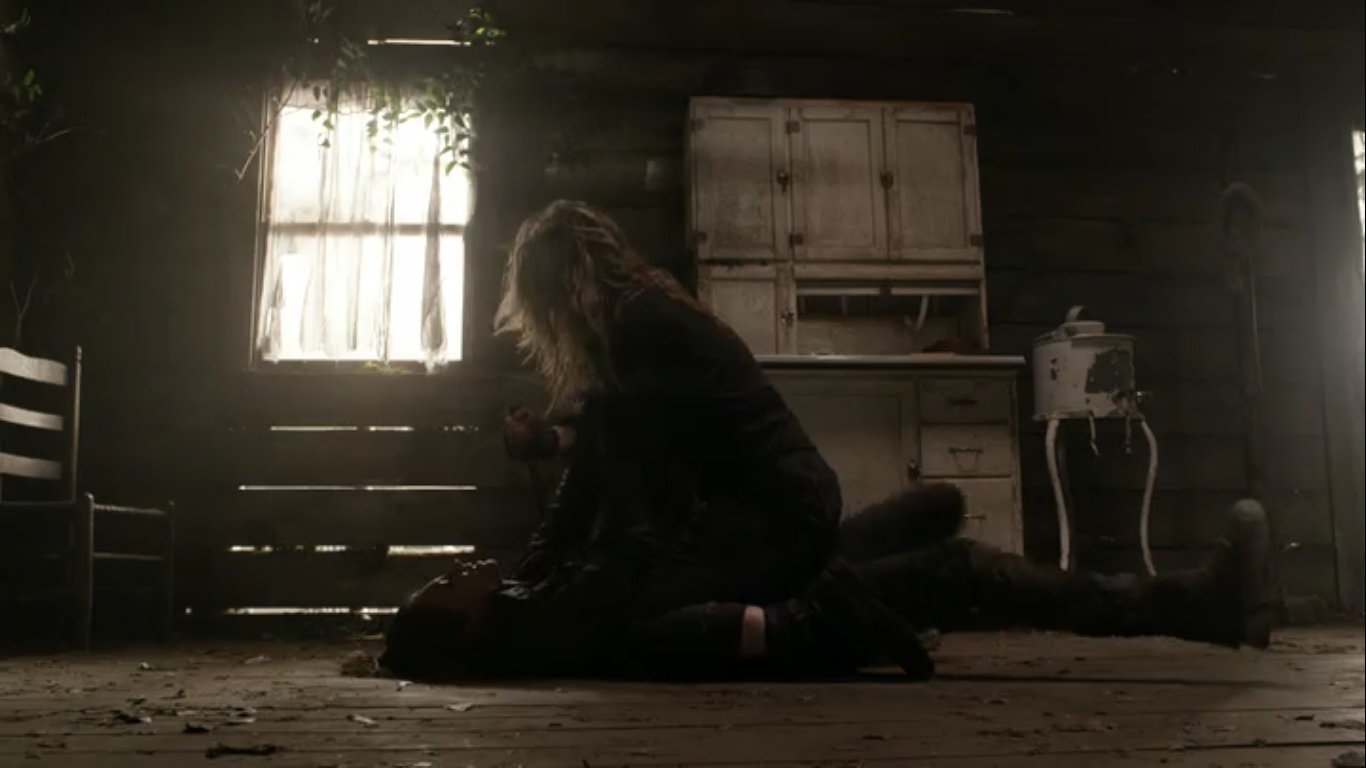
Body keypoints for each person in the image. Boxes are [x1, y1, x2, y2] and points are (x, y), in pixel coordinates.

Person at [379, 488, 1274, 681]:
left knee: (937, 505)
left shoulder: (539, 592)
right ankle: (1197, 606)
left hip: (783, 567)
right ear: (467, 630)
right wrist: (860, 622)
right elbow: (763, 633)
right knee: (958, 567)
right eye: (443, 590)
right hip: (811, 606)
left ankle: (1211, 608)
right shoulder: (573, 628)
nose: (453, 572)